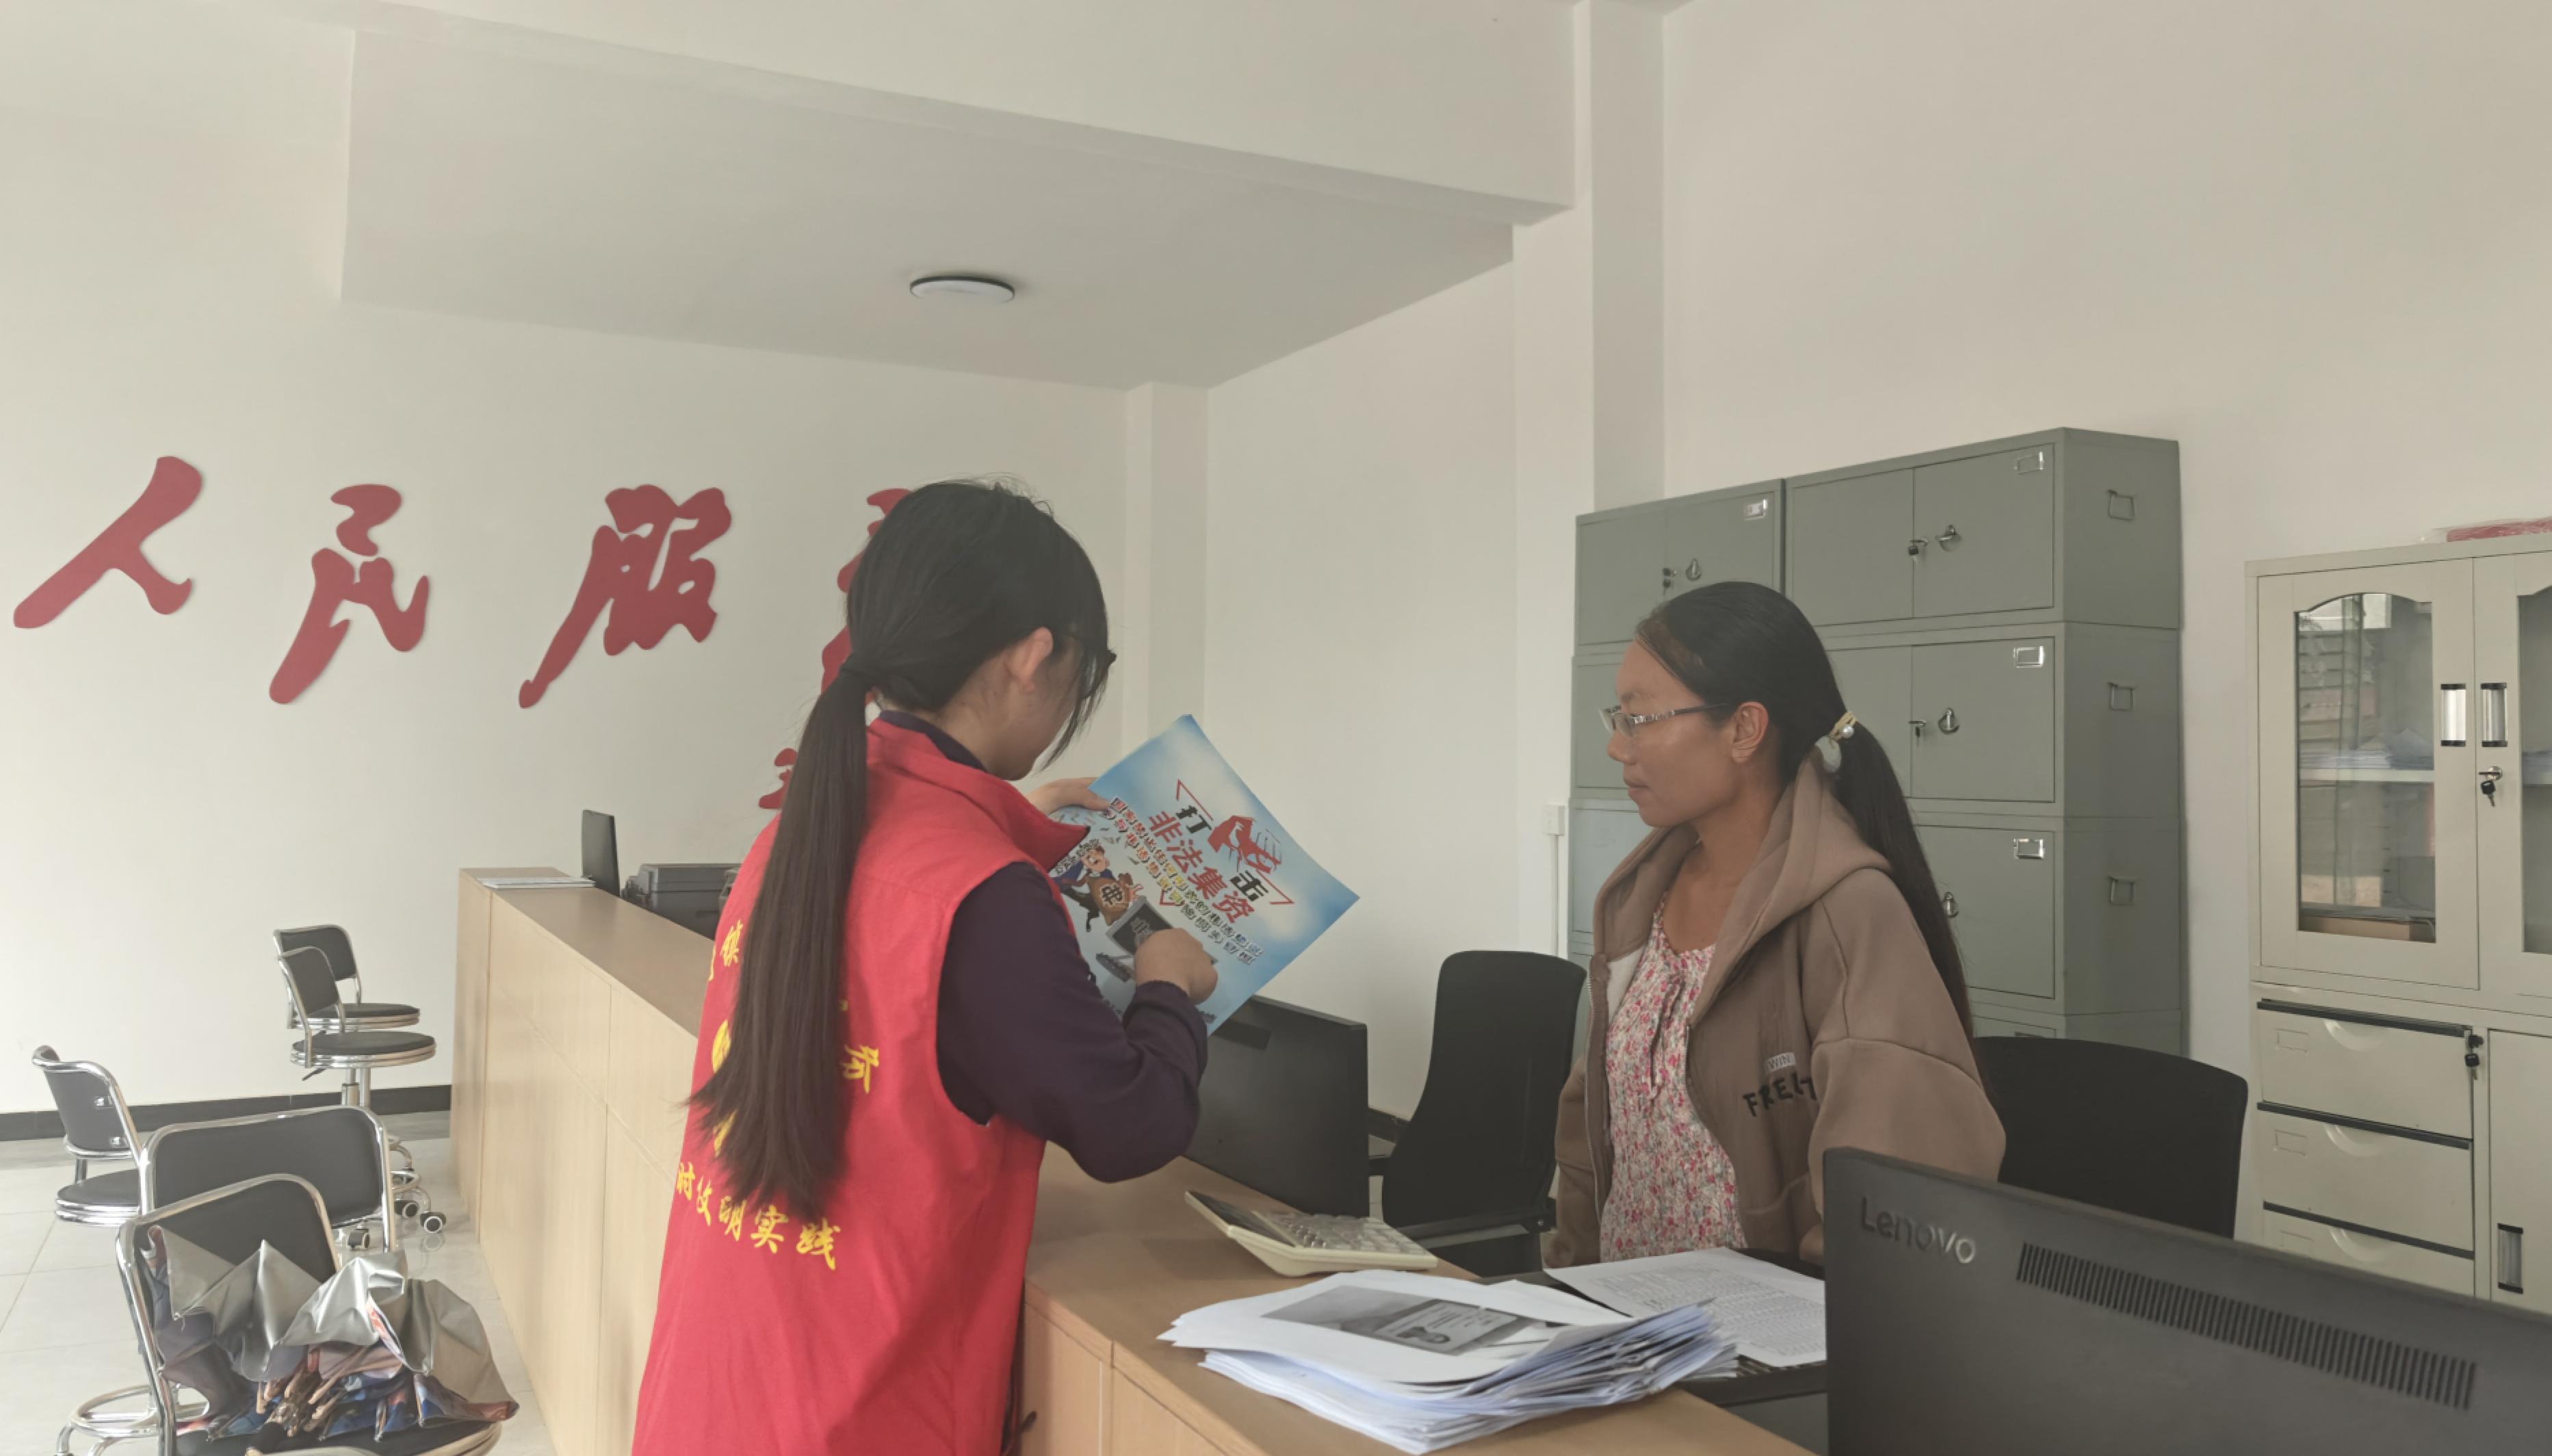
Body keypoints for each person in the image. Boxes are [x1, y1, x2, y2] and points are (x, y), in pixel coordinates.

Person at [632, 480, 1219, 1456]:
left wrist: (1008, 821)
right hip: (861, 1412)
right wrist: (1166, 986)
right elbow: (1128, 1123)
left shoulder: (806, 827)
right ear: (1033, 655)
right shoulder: (979, 892)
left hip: (722, 1389)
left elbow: (913, 920)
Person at [1547, 581, 2003, 1268]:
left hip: (1766, 1330)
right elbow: (1597, 1128)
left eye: (1638, 719)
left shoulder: (1847, 912)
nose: (1618, 747)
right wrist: (1570, 1286)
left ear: (1743, 730)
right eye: (1619, 717)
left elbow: (1896, 1200)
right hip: (1624, 1315)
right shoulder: (1642, 897)